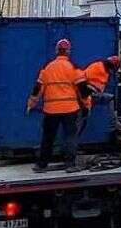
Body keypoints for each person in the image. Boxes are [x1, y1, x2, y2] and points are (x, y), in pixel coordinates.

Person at [27, 39, 84, 170]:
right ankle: (70, 164)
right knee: (70, 136)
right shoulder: (74, 68)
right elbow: (83, 90)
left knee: (48, 138)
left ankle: (42, 165)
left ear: (56, 51)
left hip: (51, 110)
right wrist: (87, 105)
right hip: (70, 109)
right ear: (68, 51)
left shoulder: (48, 69)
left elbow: (37, 89)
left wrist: (31, 104)